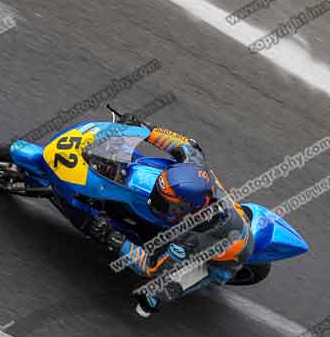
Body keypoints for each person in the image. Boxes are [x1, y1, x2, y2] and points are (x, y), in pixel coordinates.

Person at [89, 126, 254, 317]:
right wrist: (145, 130)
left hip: (224, 260)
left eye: (168, 205)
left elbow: (151, 266)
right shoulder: (195, 171)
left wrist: (114, 238)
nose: (158, 204)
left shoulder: (189, 239)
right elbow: (186, 146)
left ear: (190, 207)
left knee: (152, 291)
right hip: (233, 216)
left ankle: (155, 300)